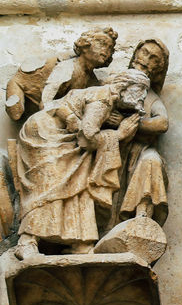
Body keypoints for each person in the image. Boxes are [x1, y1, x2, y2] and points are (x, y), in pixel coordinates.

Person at [14, 69, 150, 259]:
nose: (142, 96)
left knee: (79, 179)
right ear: (125, 86)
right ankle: (27, 241)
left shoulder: (107, 100)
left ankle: (80, 241)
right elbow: (87, 139)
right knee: (52, 184)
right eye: (140, 89)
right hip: (46, 134)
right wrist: (118, 135)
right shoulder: (103, 99)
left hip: (62, 134)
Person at [112, 39, 170, 226]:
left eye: (153, 58)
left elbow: (162, 123)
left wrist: (132, 124)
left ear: (157, 69)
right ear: (136, 53)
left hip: (139, 152)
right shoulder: (115, 84)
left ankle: (142, 216)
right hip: (111, 147)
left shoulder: (151, 97)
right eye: (144, 52)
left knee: (151, 160)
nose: (146, 59)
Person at [5, 27, 117, 121]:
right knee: (16, 112)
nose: (106, 51)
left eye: (110, 48)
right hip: (21, 86)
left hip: (51, 109)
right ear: (85, 45)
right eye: (101, 44)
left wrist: (107, 117)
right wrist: (68, 116)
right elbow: (45, 103)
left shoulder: (92, 81)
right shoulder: (67, 68)